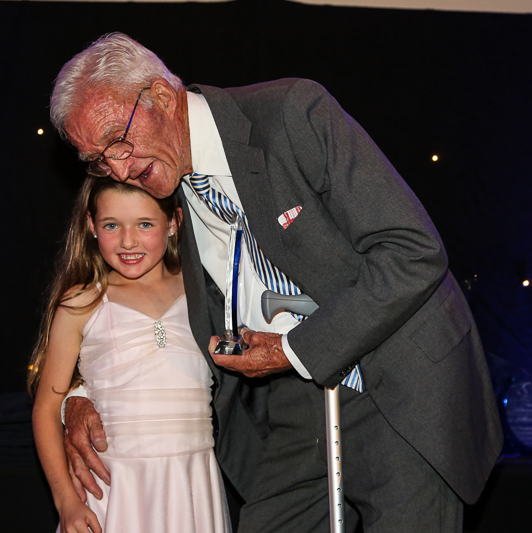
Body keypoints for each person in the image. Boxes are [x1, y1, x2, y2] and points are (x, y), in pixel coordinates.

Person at [50, 33, 503, 533]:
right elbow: (156, 321)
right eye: (96, 161)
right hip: (293, 405)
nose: (118, 168)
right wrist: (79, 393)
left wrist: (294, 350)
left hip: (393, 387)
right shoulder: (167, 190)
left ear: (160, 96)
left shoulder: (291, 114)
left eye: (117, 139)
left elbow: (413, 251)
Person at [29, 175, 231, 533]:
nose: (127, 241)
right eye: (111, 225)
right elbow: (46, 408)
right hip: (114, 489)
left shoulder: (206, 293)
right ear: (91, 225)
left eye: (145, 224)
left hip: (192, 486)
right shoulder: (81, 302)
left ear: (174, 222)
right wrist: (66, 502)